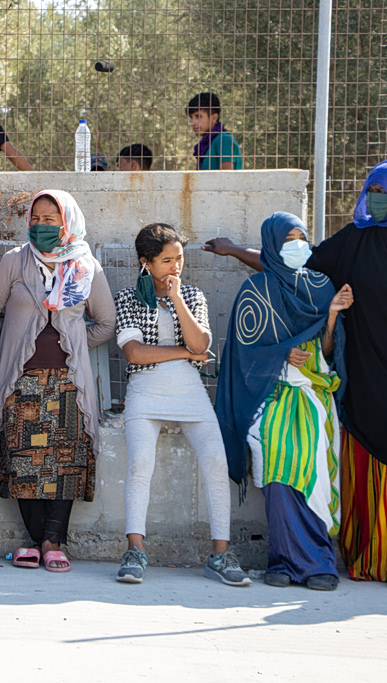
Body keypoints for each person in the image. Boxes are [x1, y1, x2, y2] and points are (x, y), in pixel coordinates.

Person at [204, 159, 387, 596]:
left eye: (383, 192)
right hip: (380, 379)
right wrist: (235, 250)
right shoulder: (356, 240)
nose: (373, 198)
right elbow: (294, 266)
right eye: (369, 190)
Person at [216, 212, 353, 592]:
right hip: (271, 395)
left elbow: (328, 349)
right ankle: (283, 561)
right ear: (273, 244)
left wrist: (331, 317)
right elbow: (243, 353)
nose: (298, 246)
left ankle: (319, 562)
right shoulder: (255, 290)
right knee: (276, 467)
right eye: (288, 239)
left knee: (312, 470)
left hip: (311, 394)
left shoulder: (322, 286)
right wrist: (280, 355)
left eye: (302, 237)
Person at [114, 223, 249, 587]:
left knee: (217, 463)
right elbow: (135, 353)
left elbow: (202, 340)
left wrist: (176, 301)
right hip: (144, 390)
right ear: (146, 262)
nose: (175, 267)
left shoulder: (192, 295)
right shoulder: (128, 297)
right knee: (141, 462)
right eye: (166, 260)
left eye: (180, 259)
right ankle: (135, 550)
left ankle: (220, 554)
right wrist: (185, 353)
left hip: (190, 390)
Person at [0, 190, 116, 572]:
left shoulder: (85, 265)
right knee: (23, 463)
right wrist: (18, 337)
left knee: (67, 466)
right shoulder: (14, 262)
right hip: (20, 381)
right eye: (36, 218)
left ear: (68, 222)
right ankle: (32, 540)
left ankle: (54, 541)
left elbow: (105, 323)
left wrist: (73, 342)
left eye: (51, 218)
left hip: (68, 384)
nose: (41, 225)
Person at [187, 93, 242, 171]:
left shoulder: (224, 140)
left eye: (198, 116)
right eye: (191, 118)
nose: (193, 122)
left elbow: (227, 179)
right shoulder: (205, 145)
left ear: (214, 118)